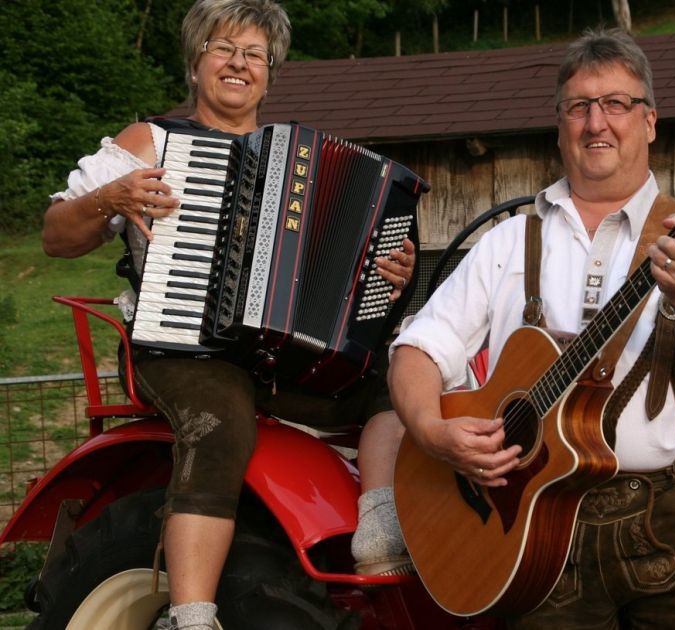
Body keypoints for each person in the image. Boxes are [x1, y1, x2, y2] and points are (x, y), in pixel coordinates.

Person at [41, 1, 411, 627]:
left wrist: (385, 272)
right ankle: (191, 616)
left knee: (398, 386)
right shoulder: (149, 143)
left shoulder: (299, 157)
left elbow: (341, 277)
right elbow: (56, 235)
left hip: (277, 353)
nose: (239, 63)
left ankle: (378, 528)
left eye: (255, 54)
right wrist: (110, 196)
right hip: (180, 344)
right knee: (221, 420)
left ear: (270, 71)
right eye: (223, 48)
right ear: (195, 63)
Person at [388, 27, 675, 629]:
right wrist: (432, 432)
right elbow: (418, 349)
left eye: (616, 103)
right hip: (532, 531)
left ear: (648, 121)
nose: (597, 123)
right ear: (560, 122)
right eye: (579, 107)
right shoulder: (510, 241)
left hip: (672, 525)